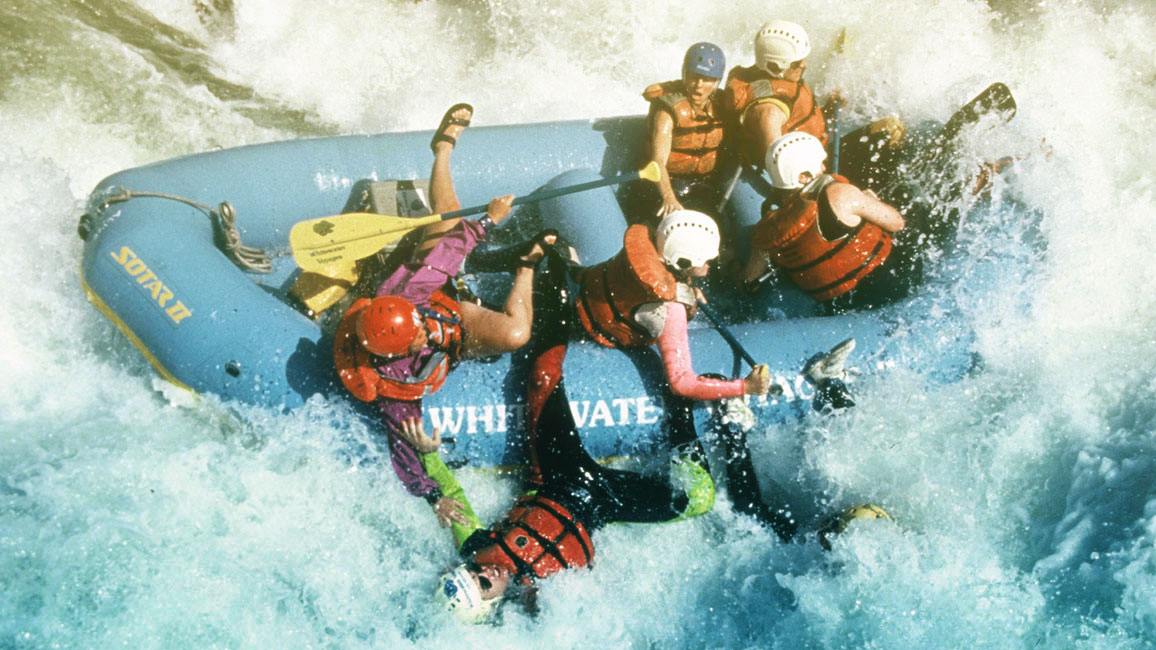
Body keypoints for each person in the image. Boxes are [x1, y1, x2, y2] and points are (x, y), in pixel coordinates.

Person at [401, 251, 717, 623]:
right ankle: (681, 402)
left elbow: (452, 495)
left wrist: (427, 454)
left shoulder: (477, 547)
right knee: (699, 500)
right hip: (600, 504)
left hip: (553, 479)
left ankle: (553, 278)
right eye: (484, 585)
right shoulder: (535, 611)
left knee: (542, 379)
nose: (486, 573)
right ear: (490, 607)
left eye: (474, 573)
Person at [332, 103, 557, 527]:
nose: (420, 332)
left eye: (415, 326)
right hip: (456, 338)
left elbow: (444, 260)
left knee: (447, 227)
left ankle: (441, 150)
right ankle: (527, 263)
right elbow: (403, 449)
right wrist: (432, 494)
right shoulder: (396, 385)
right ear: (396, 353)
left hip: (442, 300)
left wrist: (485, 223)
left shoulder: (403, 299)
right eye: (415, 336)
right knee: (516, 335)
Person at [574, 208, 774, 403]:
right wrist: (745, 387)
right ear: (684, 260)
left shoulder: (647, 251)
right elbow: (682, 384)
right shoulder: (670, 309)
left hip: (578, 304)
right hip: (596, 334)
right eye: (705, 260)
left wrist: (687, 290)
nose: (709, 265)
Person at [710, 337, 892, 546]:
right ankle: (828, 381)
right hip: (822, 541)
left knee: (749, 511)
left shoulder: (802, 555)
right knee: (853, 456)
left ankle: (734, 426)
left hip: (799, 547)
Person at [742, 132, 917, 311]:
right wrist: (870, 200)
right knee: (909, 199)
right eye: (819, 164)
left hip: (842, 305)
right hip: (893, 282)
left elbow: (750, 282)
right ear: (803, 176)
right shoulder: (840, 194)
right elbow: (897, 223)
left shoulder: (767, 230)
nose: (824, 168)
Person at [723, 20, 828, 171]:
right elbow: (780, 167)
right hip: (793, 171)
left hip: (815, 150)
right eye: (796, 63)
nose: (803, 65)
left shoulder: (776, 76)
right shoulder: (769, 113)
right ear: (774, 66)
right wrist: (817, 171)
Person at [642, 41, 728, 219]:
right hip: (666, 187)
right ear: (684, 74)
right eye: (694, 77)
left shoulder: (722, 105)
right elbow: (657, 161)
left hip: (703, 187)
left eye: (707, 80)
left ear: (717, 82)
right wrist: (669, 198)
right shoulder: (668, 111)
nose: (699, 85)